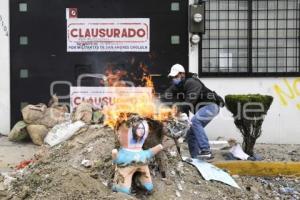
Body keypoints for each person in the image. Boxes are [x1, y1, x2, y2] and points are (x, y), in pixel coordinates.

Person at [163, 64, 224, 159]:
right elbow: (167, 94)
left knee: (195, 121)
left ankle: (206, 150)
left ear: (182, 74)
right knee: (191, 134)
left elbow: (189, 103)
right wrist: (158, 103)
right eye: (172, 77)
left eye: (175, 76)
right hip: (202, 109)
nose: (174, 78)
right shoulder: (178, 85)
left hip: (210, 106)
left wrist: (178, 113)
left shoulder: (192, 82)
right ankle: (196, 159)